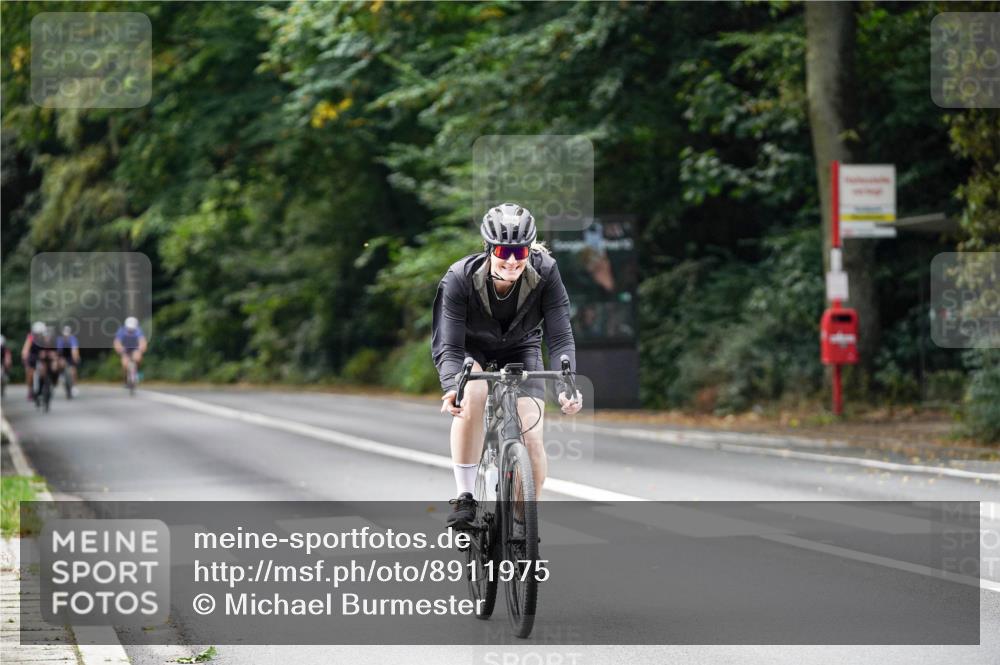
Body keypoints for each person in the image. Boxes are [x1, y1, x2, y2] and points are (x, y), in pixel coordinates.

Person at [432, 203, 583, 529]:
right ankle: (465, 498)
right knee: (473, 393)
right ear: (489, 249)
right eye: (503, 250)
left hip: (521, 346)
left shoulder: (546, 272)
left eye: (520, 251)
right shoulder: (460, 278)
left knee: (532, 438)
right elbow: (449, 347)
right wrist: (450, 387)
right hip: (470, 349)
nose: (512, 260)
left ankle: (522, 524)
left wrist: (566, 385)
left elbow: (559, 338)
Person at [21, 321, 55, 401]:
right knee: (30, 372)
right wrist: (25, 354)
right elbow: (26, 348)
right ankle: (30, 389)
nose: (38, 335)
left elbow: (48, 347)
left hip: (42, 354)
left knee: (44, 370)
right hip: (33, 355)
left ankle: (44, 386)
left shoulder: (45, 337)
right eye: (37, 333)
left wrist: (49, 353)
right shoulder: (30, 337)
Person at [113, 317, 147, 387]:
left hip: (135, 348)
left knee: (138, 358)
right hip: (125, 349)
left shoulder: (138, 331)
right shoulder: (121, 331)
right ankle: (125, 379)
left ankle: (136, 372)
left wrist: (141, 349)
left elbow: (142, 341)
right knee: (125, 364)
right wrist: (120, 350)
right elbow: (117, 342)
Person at [56, 326, 81, 396]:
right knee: (59, 363)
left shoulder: (73, 339)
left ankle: (74, 386)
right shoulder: (60, 339)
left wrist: (76, 357)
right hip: (63, 355)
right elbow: (58, 352)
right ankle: (60, 375)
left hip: (70, 355)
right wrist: (60, 360)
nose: (66, 336)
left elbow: (75, 349)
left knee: (73, 370)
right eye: (65, 335)